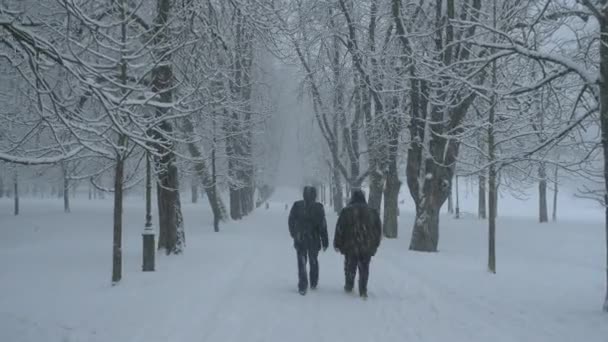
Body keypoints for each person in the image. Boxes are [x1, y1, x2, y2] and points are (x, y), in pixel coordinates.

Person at [333, 189, 382, 298]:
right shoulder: (372, 212)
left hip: (350, 245)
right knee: (364, 267)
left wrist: (337, 243)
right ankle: (363, 289)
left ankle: (349, 285)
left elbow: (340, 228)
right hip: (367, 245)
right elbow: (378, 230)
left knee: (350, 265)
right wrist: (375, 244)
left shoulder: (346, 211)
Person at [288, 186, 329, 295]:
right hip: (314, 239)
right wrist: (325, 241)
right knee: (313, 260)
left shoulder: (297, 205)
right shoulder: (319, 207)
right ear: (315, 195)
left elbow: (291, 220)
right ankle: (314, 282)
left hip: (300, 238)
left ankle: (302, 285)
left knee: (301, 262)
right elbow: (322, 226)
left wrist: (294, 233)